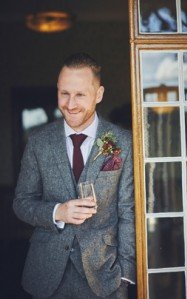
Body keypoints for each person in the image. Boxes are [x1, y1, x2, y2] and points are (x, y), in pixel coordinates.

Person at [13, 53, 135, 298]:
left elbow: (128, 211)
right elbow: (21, 203)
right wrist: (57, 212)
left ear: (98, 94)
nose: (70, 104)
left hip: (105, 277)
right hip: (46, 277)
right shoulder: (38, 142)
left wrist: (125, 274)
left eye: (80, 94)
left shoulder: (123, 142)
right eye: (64, 93)